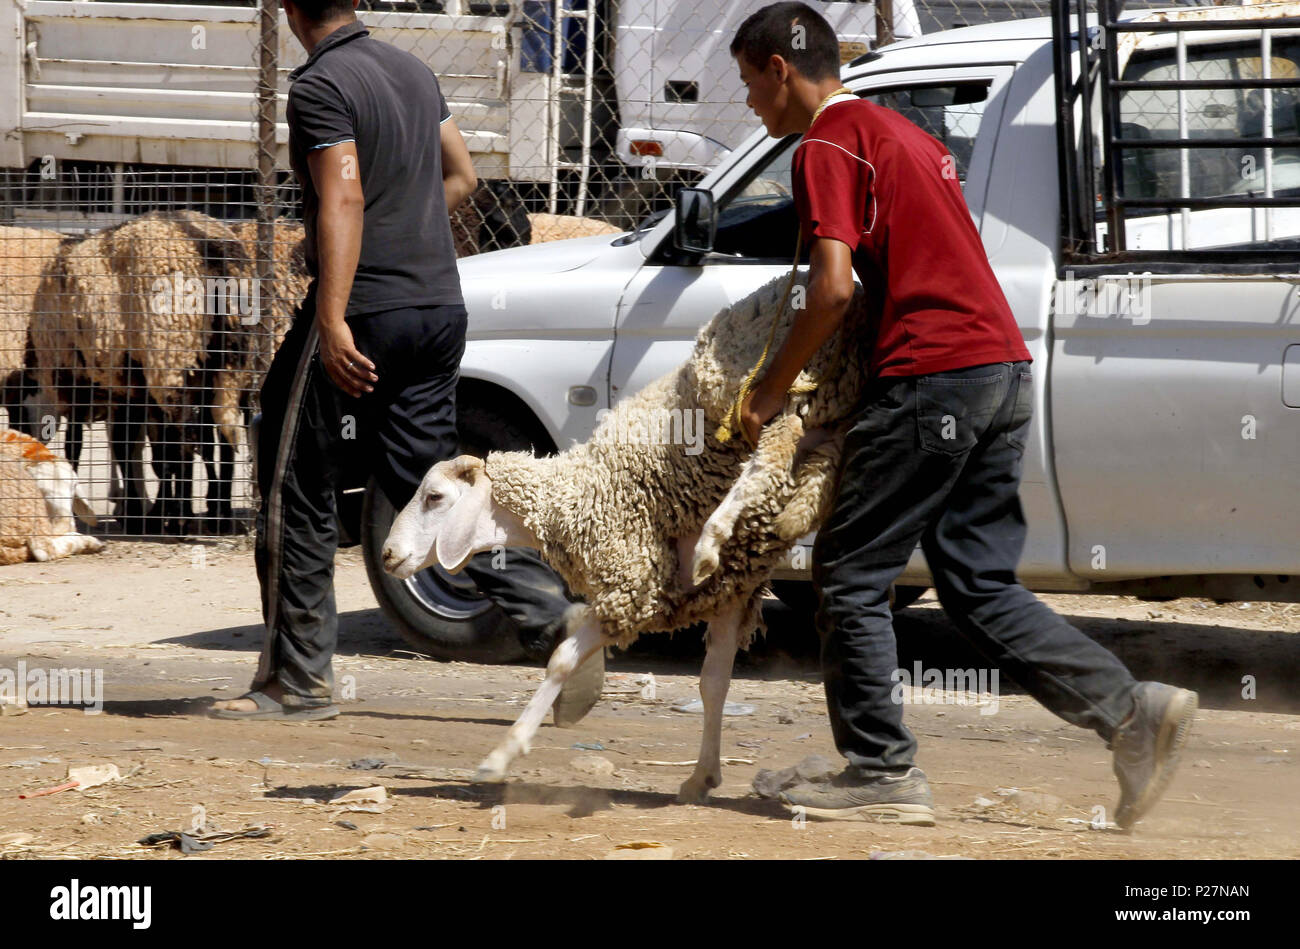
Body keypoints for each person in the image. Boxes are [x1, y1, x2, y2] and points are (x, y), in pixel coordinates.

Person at [729, 2, 1197, 829]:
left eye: (749, 86)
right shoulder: (905, 133)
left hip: (936, 377)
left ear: (779, 69)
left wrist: (770, 390)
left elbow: (833, 289)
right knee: (976, 582)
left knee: (850, 572)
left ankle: (879, 770)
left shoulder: (828, 143)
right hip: (1001, 368)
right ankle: (1132, 712)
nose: (751, 108)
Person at [213, 0, 602, 721]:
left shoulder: (321, 84)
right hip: (437, 309)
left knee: (291, 475)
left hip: (367, 313)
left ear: (291, 9)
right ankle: (552, 615)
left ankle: (295, 679)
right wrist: (389, 231)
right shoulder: (411, 71)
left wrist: (330, 314)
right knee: (427, 484)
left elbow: (345, 193)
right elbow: (461, 177)